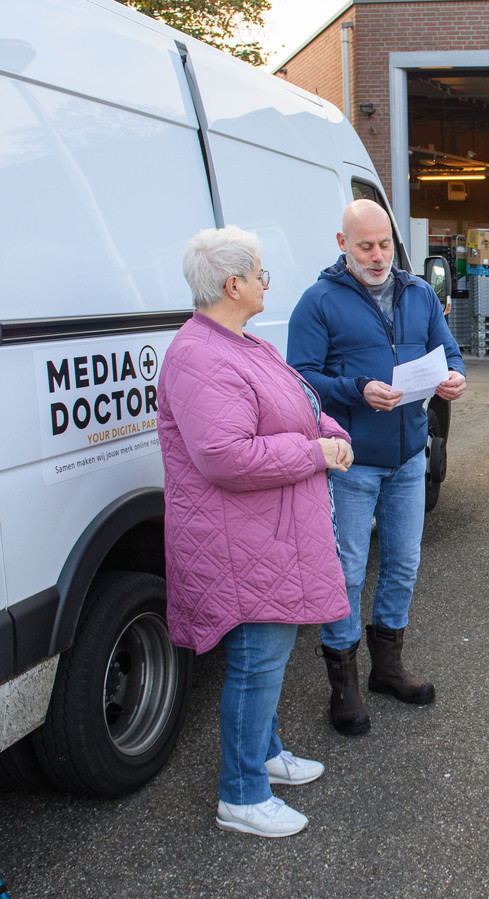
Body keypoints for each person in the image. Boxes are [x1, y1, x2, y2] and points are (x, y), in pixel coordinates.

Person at [160, 226, 354, 837]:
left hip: (265, 536)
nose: (268, 281)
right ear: (233, 283)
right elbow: (225, 456)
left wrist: (333, 435)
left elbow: (301, 403)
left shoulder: (242, 343)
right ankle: (240, 794)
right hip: (238, 541)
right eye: (261, 272)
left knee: (266, 657)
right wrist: (315, 452)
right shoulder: (199, 356)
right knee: (256, 661)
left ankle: (264, 757)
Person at [288, 199, 468, 735]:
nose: (378, 255)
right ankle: (342, 684)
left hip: (409, 455)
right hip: (352, 461)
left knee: (403, 563)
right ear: (342, 244)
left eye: (385, 244)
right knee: (346, 570)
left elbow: (450, 353)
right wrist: (357, 391)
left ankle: (387, 668)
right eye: (365, 246)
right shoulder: (318, 302)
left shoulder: (419, 294)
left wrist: (454, 378)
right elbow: (298, 379)